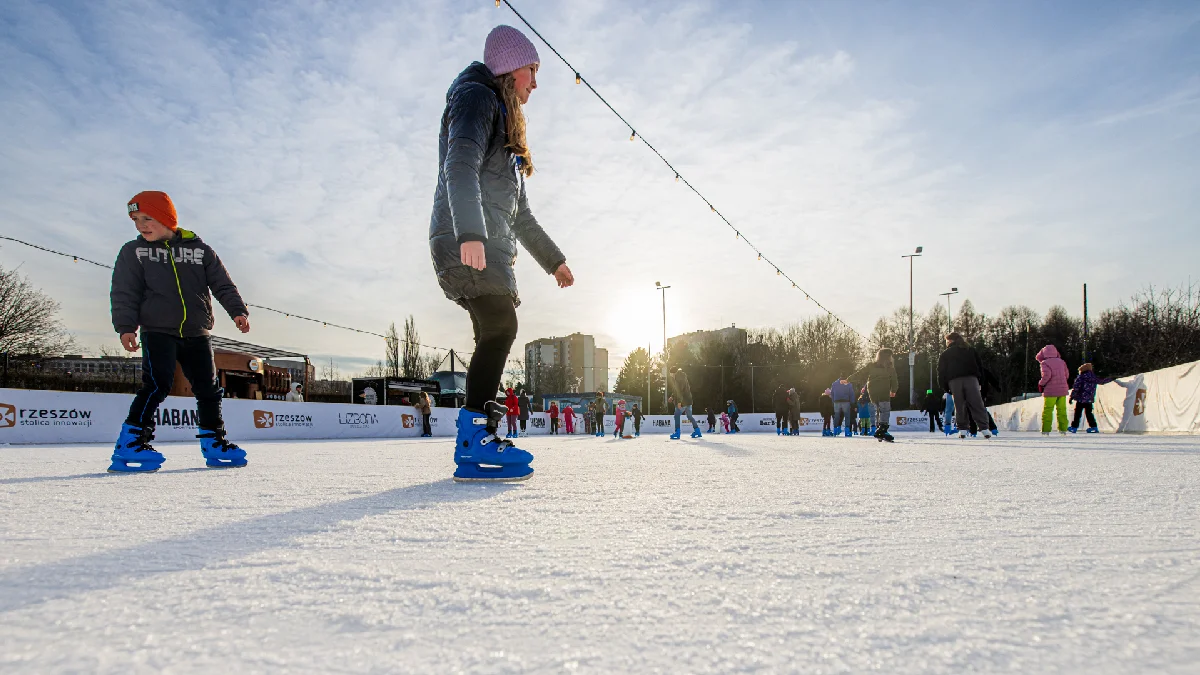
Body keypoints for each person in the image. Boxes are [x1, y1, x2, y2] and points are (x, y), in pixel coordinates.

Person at [434, 26, 574, 482]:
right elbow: (460, 165)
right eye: (532, 71)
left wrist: (554, 260)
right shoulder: (476, 98)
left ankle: (475, 439)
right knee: (501, 326)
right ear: (509, 67)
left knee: (492, 332)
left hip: (489, 241)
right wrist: (470, 232)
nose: (535, 82)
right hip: (468, 238)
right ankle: (475, 438)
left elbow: (523, 217)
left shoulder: (507, 128)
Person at [109, 190, 250, 472]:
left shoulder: (200, 251)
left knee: (208, 390)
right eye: (135, 220)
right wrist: (126, 327)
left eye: (147, 218)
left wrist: (238, 310)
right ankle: (131, 442)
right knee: (157, 386)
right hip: (158, 330)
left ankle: (214, 441)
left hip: (197, 332)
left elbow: (222, 284)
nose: (141, 225)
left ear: (167, 217)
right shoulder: (134, 251)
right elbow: (125, 291)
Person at [936, 333, 991, 439]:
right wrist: (981, 381)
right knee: (977, 403)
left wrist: (944, 385)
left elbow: (941, 371)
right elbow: (979, 366)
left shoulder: (946, 353)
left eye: (947, 341)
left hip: (954, 381)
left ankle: (962, 429)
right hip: (971, 379)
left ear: (950, 341)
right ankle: (984, 428)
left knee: (959, 405)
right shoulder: (970, 350)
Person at [855, 348, 899, 442]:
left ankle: (881, 431)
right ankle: (881, 430)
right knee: (885, 409)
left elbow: (860, 373)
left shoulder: (871, 365)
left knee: (879, 410)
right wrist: (893, 390)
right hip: (883, 391)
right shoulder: (890, 367)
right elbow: (894, 380)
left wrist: (848, 380)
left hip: (873, 392)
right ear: (887, 357)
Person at [1036, 344, 1070, 436]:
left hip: (1050, 391)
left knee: (1048, 410)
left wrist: (1041, 384)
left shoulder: (1045, 363)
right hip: (1062, 390)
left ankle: (1046, 430)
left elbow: (1047, 375)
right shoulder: (1062, 362)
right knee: (1062, 410)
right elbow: (1066, 375)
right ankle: (1063, 429)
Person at [1069, 363, 1113, 434]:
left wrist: (1072, 397)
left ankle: (1074, 427)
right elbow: (1101, 382)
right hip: (1089, 399)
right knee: (1089, 413)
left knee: (1078, 413)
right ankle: (1093, 427)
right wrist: (1110, 379)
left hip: (1080, 399)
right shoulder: (1093, 377)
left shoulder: (1080, 377)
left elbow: (1076, 388)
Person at [669, 367, 702, 439]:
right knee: (689, 416)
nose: (670, 375)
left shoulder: (678, 378)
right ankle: (697, 431)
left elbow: (680, 391)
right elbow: (677, 390)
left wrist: (679, 402)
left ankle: (677, 433)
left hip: (683, 401)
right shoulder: (682, 376)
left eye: (670, 374)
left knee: (677, 415)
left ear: (673, 373)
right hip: (689, 401)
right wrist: (672, 396)